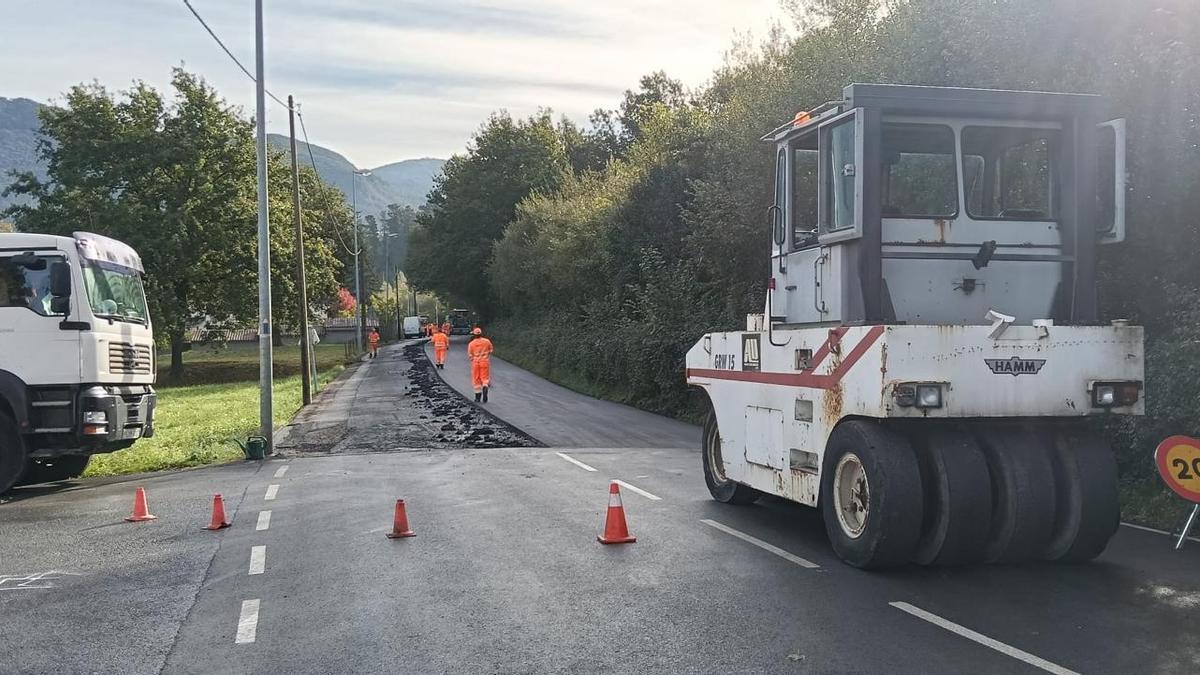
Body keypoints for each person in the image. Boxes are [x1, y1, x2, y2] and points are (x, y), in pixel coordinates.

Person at [467, 326, 493, 402]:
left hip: (475, 363)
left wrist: (473, 359)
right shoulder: (487, 341)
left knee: (476, 379)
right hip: (484, 362)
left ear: (474, 335)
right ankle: (485, 386)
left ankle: (477, 397)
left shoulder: (471, 344)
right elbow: (491, 350)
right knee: (484, 378)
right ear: (481, 333)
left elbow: (470, 355)